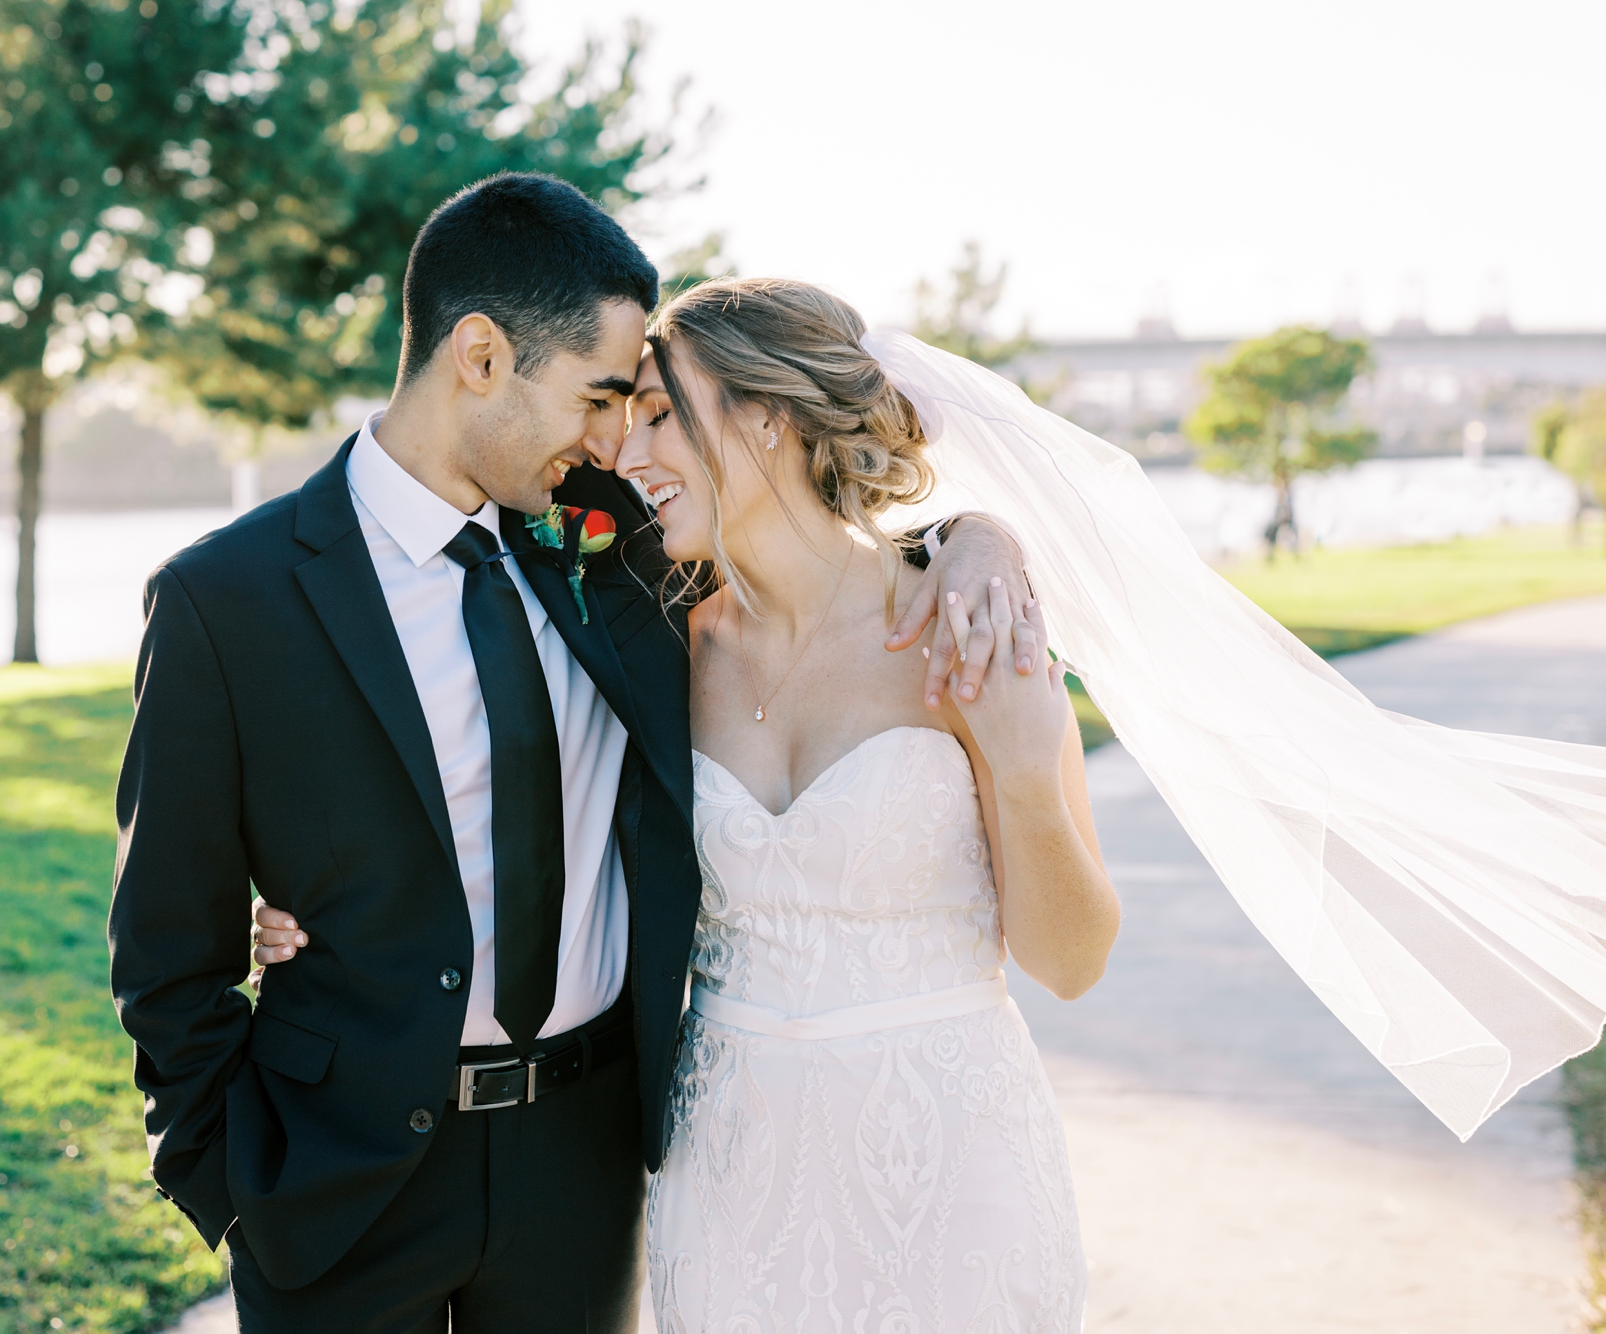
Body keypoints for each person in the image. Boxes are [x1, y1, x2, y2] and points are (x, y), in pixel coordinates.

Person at [109, 175, 1031, 1333]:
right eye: (599, 395)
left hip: (582, 1166)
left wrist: (971, 540)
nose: (614, 437)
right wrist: (230, 1184)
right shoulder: (223, 601)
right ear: (480, 357)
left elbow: (814, 527)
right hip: (336, 1177)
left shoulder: (615, 538)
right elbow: (163, 953)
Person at [258, 277, 1123, 1331]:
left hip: (951, 1162)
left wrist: (1022, 761)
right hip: (728, 1174)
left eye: (662, 414)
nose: (626, 455)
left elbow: (1072, 962)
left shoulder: (964, 625)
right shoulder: (659, 637)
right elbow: (466, 721)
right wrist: (312, 901)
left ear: (768, 415)